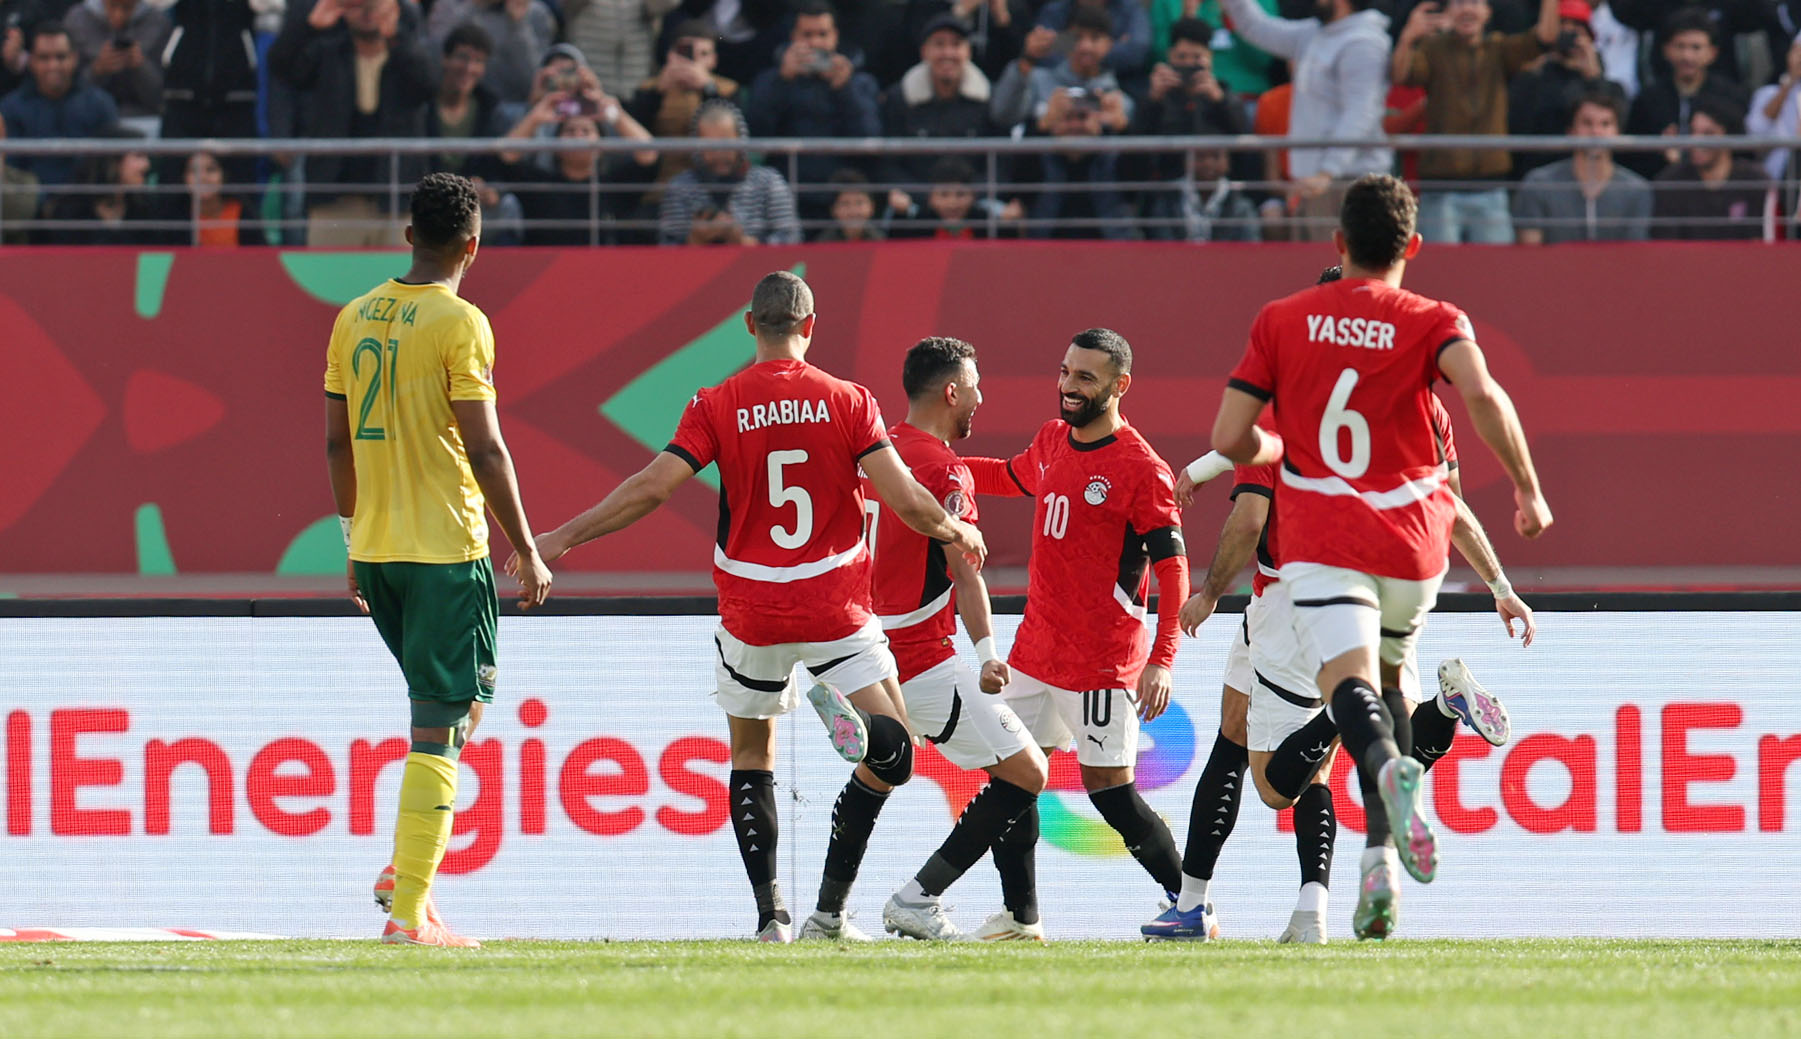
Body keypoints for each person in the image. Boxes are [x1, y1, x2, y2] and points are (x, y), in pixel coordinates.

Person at [530, 271, 987, 943]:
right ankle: (855, 761)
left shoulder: (716, 402)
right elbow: (907, 499)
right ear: (811, 326)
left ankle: (771, 916)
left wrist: (558, 537)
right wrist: (958, 530)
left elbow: (653, 486)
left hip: (752, 604)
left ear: (750, 325)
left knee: (751, 754)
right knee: (897, 751)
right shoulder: (849, 400)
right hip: (832, 598)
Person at [1146, 266, 1535, 944]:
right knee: (1237, 737)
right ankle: (1276, 908)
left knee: (1279, 781)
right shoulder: (1422, 407)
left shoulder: (1292, 394)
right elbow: (1449, 505)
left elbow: (1251, 502)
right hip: (1385, 582)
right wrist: (1500, 585)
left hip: (1292, 597)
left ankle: (1344, 726)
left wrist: (1208, 589)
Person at [326, 172, 553, 947]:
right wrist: (526, 545)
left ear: (405, 235)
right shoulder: (461, 321)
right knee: (439, 722)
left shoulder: (351, 317)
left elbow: (335, 440)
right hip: (446, 550)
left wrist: (351, 538)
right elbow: (485, 445)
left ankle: (403, 870)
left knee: (462, 704)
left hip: (380, 549)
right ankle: (406, 915)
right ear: (473, 245)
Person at [809, 337, 1051, 943]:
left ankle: (827, 917)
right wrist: (989, 653)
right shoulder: (943, 469)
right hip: (921, 658)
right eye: (974, 385)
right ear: (951, 392)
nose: (981, 396)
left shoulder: (872, 453)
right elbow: (963, 568)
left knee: (879, 773)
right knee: (1026, 771)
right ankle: (918, 898)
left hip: (859, 651)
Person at [959, 328, 1193, 925]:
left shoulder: (1142, 468)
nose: (1068, 386)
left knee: (1110, 792)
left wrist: (1162, 659)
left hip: (1099, 662)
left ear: (1120, 386)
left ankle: (1193, 905)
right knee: (1014, 778)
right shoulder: (1051, 440)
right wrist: (926, 470)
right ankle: (1021, 919)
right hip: (1034, 652)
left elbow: (1174, 573)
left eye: (1085, 377)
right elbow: (1007, 476)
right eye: (1065, 372)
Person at [1218, 0, 1392, 241]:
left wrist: (1327, 171)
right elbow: (1255, 27)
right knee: (1318, 273)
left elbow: (1360, 112)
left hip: (1350, 182)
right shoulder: (1313, 34)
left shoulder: (1364, 42)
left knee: (1344, 273)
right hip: (1314, 184)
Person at [1390, 0, 1559, 244]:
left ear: (1487, 12)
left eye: (1475, 2)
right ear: (1448, 12)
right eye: (1458, 3)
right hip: (1440, 188)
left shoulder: (1498, 48)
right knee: (1441, 275)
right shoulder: (1432, 49)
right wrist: (1407, 37)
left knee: (1495, 274)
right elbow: (1401, 75)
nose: (1467, 9)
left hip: (1490, 188)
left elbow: (1545, 38)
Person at [268, 0, 434, 247]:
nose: (367, 11)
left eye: (375, 4)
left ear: (394, 8)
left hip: (396, 200)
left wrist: (396, 38)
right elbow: (281, 66)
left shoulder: (407, 54)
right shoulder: (327, 53)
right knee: (332, 283)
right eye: (356, 4)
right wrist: (308, 26)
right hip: (335, 200)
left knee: (402, 284)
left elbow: (427, 86)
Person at [744, 1, 882, 195]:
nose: (815, 43)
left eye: (822, 34)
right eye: (807, 35)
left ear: (835, 36)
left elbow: (869, 140)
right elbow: (756, 133)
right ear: (793, 37)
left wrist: (845, 89)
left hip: (843, 195)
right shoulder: (771, 79)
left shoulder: (861, 82)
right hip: (786, 190)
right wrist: (782, 81)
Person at [1623, 6, 1751, 178]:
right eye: (1680, 46)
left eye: (1696, 47)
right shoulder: (1647, 100)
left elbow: (1744, 154)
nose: (1687, 56)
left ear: (1712, 53)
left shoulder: (1731, 97)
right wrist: (1661, 153)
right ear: (1666, 50)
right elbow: (1631, 159)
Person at [1513, 87, 1653, 241]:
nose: (1596, 132)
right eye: (1587, 123)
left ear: (1617, 134)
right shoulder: (1539, 183)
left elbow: (1634, 254)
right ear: (1571, 132)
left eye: (1605, 124)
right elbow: (1529, 253)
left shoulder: (1637, 190)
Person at [658, 99, 801, 245]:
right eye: (710, 146)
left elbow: (791, 240)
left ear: (741, 140)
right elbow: (667, 248)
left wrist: (741, 241)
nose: (719, 153)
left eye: (726, 143)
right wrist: (695, 239)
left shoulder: (769, 182)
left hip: (759, 266)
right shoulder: (680, 187)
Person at [882, 14, 996, 190]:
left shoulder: (987, 97)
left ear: (968, 52)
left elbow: (999, 164)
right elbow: (889, 163)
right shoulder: (900, 97)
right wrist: (927, 198)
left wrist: (969, 196)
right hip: (916, 204)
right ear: (924, 52)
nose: (948, 53)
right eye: (939, 44)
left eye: (956, 44)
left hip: (976, 204)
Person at [626, 21, 741, 195]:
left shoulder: (727, 89)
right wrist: (658, 93)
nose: (694, 60)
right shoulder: (649, 89)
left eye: (703, 54)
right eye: (686, 53)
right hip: (657, 186)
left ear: (713, 59)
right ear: (671, 55)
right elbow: (634, 134)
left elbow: (735, 134)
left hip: (711, 186)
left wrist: (707, 89)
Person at [1507, 0, 1618, 177]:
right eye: (1562, 24)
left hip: (1586, 173)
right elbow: (1518, 125)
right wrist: (1541, 61)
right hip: (1538, 172)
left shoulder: (1598, 79)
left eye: (1576, 26)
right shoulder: (1533, 75)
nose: (1568, 32)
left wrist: (1593, 76)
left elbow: (1612, 120)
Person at [0, 22, 118, 188]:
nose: (53, 65)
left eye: (60, 57)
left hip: (87, 202)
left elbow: (111, 165)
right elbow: (11, 171)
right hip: (30, 205)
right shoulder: (11, 108)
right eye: (44, 57)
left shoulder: (99, 103)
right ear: (31, 61)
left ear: (74, 58)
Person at [1652, 95, 1770, 238]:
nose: (1697, 141)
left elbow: (1761, 242)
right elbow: (1665, 245)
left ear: (1728, 136)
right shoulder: (1671, 182)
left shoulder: (1754, 181)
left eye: (1708, 133)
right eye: (1693, 132)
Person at [426, 0, 556, 105]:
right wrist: (476, 5)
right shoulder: (447, 5)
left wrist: (518, 25)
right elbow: (436, 58)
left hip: (512, 107)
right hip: (459, 104)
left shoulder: (536, 13)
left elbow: (534, 83)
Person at [64, 0, 170, 118]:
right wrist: (97, 70)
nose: (118, 15)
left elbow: (162, 95)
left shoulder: (156, 22)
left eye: (127, 8)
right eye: (112, 6)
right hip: (89, 116)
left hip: (144, 115)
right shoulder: (77, 21)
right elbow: (68, 89)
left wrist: (140, 66)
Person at [182, 149, 264, 246]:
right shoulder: (173, 217)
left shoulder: (242, 211)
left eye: (211, 169)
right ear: (184, 177)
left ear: (224, 175)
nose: (202, 177)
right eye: (194, 171)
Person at [813, 168, 884, 241]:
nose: (853, 211)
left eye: (859, 203)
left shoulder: (880, 241)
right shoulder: (824, 243)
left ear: (872, 207)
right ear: (833, 209)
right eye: (845, 204)